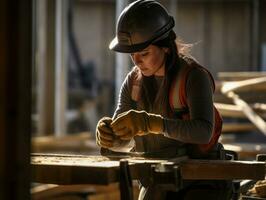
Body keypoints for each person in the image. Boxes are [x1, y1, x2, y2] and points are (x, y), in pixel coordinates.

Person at [96, 0, 232, 199]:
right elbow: (121, 140)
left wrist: (152, 123)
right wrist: (109, 134)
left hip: (200, 182)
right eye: (132, 54)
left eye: (144, 53)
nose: (136, 61)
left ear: (166, 47)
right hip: (156, 182)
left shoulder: (193, 77)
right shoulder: (134, 82)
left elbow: (203, 132)